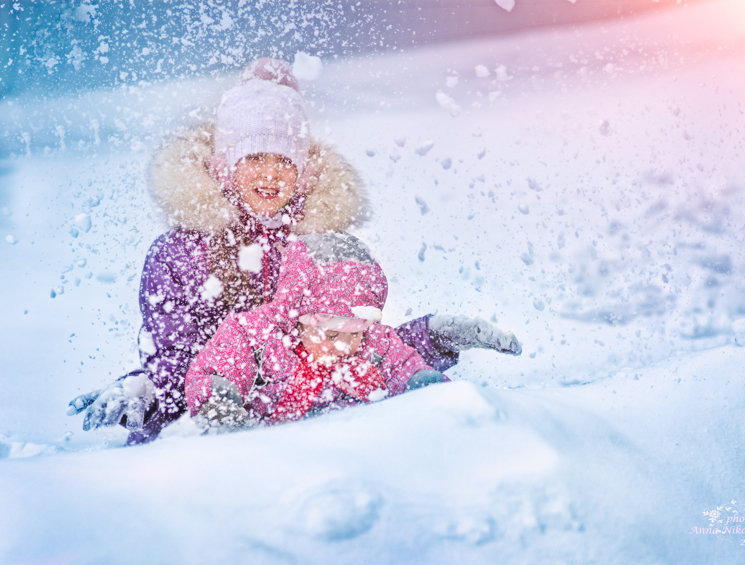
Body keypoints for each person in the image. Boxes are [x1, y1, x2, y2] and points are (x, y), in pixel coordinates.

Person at [68, 58, 520, 444]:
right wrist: (149, 393)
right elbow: (174, 363)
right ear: (225, 167)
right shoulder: (178, 255)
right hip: (217, 445)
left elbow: (352, 344)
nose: (271, 174)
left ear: (303, 171)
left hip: (312, 438)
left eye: (284, 160)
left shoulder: (319, 245)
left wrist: (430, 338)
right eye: (254, 158)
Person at [186, 233, 445, 430]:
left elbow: (404, 366)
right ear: (298, 319)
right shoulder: (256, 335)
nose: (344, 347)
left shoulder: (377, 343)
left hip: (355, 445)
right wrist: (220, 405)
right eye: (331, 336)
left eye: (354, 335)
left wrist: (430, 391)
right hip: (266, 447)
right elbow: (216, 368)